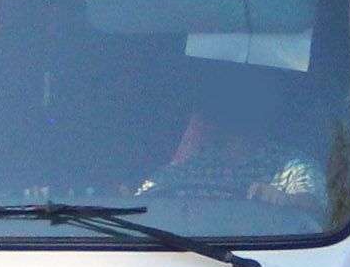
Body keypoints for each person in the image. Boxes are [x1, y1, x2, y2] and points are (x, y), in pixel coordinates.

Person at [137, 61, 324, 211]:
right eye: (231, 97)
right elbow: (145, 197)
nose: (238, 106)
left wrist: (286, 201)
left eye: (248, 97)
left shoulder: (291, 168)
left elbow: (317, 210)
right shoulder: (194, 164)